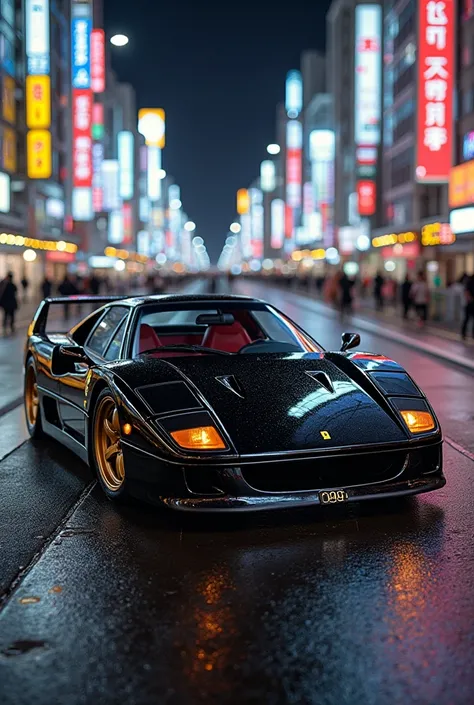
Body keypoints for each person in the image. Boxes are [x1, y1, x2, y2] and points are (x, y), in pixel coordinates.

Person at [461, 274, 474, 340]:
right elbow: (466, 292)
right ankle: (463, 333)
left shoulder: (469, 282)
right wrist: (470, 299)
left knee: (467, 319)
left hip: (470, 303)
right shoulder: (470, 282)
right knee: (467, 319)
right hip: (470, 303)